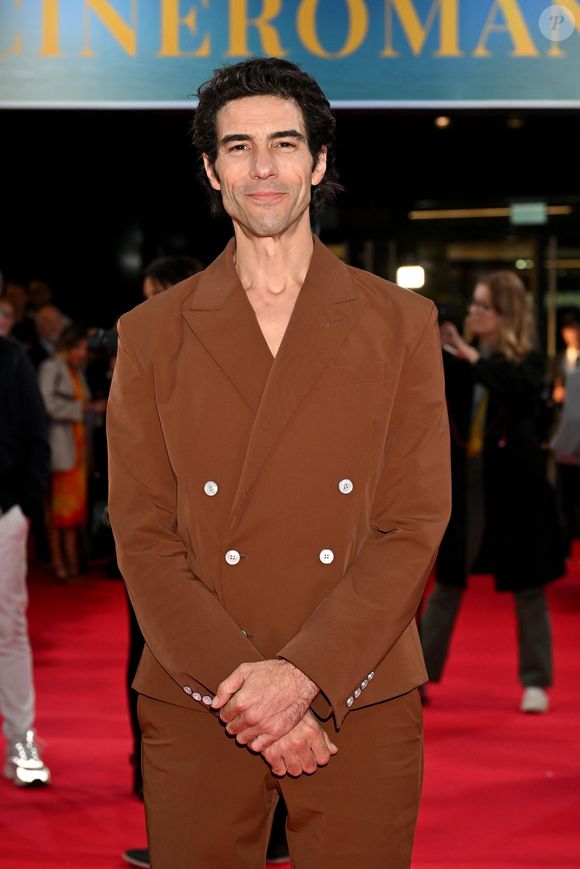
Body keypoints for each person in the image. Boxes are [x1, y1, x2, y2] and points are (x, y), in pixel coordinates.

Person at [107, 56, 450, 869]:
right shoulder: (151, 334)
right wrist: (248, 688)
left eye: (285, 144)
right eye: (238, 147)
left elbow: (414, 523)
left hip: (357, 690)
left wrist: (305, 676)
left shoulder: (400, 323)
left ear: (319, 162)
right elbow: (143, 534)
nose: (263, 168)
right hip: (202, 695)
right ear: (211, 170)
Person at [421, 271, 565, 715]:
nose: (473, 313)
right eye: (475, 305)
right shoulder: (461, 358)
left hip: (517, 490)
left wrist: (470, 358)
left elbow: (520, 393)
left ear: (504, 314)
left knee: (528, 587)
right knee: (448, 581)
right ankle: (418, 677)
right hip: (465, 485)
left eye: (483, 306)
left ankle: (536, 681)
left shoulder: (527, 361)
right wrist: (451, 354)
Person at [0, 335, 51, 786]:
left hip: (4, 513)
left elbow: (36, 429)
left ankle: (20, 741)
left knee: (8, 628)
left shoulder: (11, 356)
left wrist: (24, 505)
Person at [39, 325, 104, 581]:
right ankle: (59, 563)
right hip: (60, 449)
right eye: (80, 348)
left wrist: (93, 410)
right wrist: (84, 409)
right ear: (69, 346)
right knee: (57, 511)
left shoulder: (76, 371)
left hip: (78, 449)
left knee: (75, 510)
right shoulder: (50, 368)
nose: (83, 354)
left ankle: (73, 559)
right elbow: (46, 404)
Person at [551, 309, 580, 555]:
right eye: (569, 329)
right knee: (564, 492)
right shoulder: (558, 359)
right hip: (562, 431)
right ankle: (564, 543)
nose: (574, 334)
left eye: (577, 328)